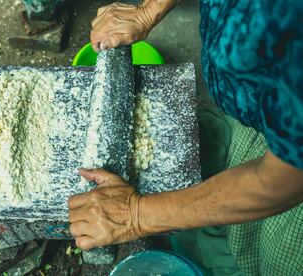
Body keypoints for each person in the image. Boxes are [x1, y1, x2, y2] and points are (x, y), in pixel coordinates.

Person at [68, 0, 303, 275]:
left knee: (275, 256)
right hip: (260, 119)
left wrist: (136, 215)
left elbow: (284, 180)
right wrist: (148, 10)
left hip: (290, 178)